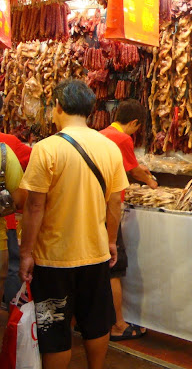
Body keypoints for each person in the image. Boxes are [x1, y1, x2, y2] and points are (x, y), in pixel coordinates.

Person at [19, 79, 129, 369]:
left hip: (53, 258)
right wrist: (111, 240)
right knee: (96, 321)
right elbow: (115, 202)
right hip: (95, 253)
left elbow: (34, 206)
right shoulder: (109, 148)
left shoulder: (45, 149)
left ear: (57, 107)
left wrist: (27, 252)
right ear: (91, 111)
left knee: (55, 329)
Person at [100, 99, 157, 341]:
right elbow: (133, 171)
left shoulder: (101, 133)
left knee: (98, 267)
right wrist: (151, 183)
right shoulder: (122, 138)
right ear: (134, 123)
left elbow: (131, 165)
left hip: (94, 207)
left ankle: (93, 320)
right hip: (108, 209)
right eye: (138, 127)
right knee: (114, 267)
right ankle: (119, 325)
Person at [0, 133, 30, 306]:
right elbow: (20, 198)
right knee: (12, 270)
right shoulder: (7, 145)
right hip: (6, 223)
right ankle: (11, 310)